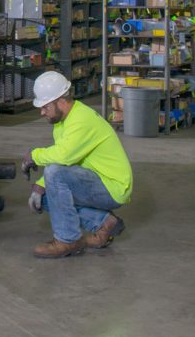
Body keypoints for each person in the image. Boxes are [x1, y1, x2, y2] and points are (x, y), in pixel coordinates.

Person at [22, 71, 133, 259]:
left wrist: (34, 155)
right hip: (95, 178)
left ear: (61, 101)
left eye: (45, 106)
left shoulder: (81, 120)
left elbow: (64, 157)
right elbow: (66, 158)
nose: (42, 112)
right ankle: (105, 223)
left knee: (54, 175)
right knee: (48, 196)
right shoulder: (64, 121)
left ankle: (67, 241)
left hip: (112, 186)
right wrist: (41, 185)